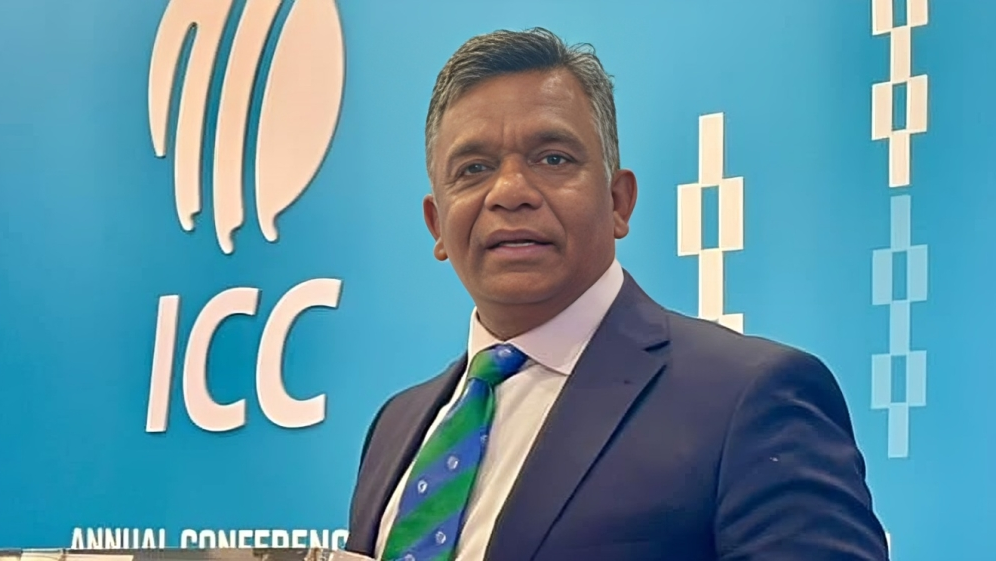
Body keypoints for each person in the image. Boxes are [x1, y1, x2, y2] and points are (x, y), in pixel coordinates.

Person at [344, 27, 889, 561]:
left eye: (552, 158)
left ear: (619, 201)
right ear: (436, 225)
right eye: (474, 169)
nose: (510, 192)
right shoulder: (397, 425)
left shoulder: (750, 396)